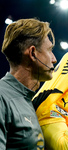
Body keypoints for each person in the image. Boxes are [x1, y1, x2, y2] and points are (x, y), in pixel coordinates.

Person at [0, 18, 57, 149]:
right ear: (32, 53)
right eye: (49, 50)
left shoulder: (30, 100)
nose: (54, 59)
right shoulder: (2, 97)